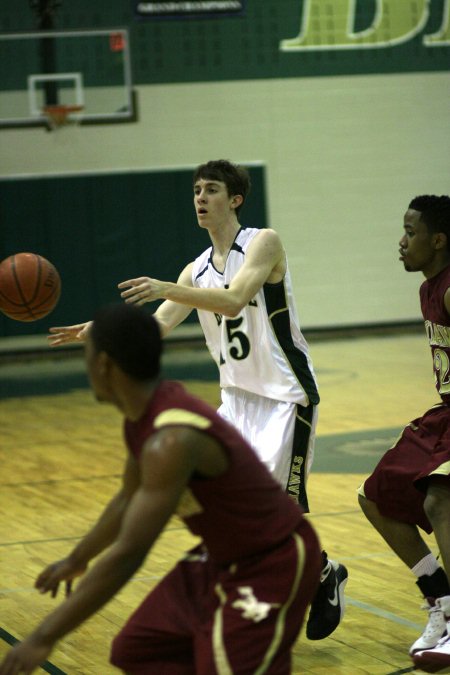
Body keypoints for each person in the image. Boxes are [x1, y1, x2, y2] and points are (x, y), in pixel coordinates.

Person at [48, 159, 348, 641]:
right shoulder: (197, 268)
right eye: (195, 191)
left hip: (286, 397)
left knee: (277, 511)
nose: (200, 198)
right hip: (235, 399)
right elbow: (157, 325)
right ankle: (317, 572)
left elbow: (233, 299)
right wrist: (97, 331)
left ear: (235, 199)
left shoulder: (263, 242)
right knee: (229, 506)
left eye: (211, 190)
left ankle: (304, 584)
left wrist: (168, 287)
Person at [0, 303, 322, 675]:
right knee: (138, 649)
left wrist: (43, 636)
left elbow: (129, 554)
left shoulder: (170, 440)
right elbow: (127, 498)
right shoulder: (147, 412)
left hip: (272, 561)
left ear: (103, 365)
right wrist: (78, 559)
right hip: (219, 557)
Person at [357, 195, 450, 671]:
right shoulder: (428, 288)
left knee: (441, 498)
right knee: (374, 496)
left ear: (437, 240)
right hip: (447, 413)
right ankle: (441, 600)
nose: (401, 241)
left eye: (410, 232)